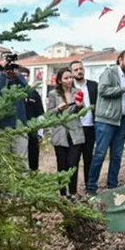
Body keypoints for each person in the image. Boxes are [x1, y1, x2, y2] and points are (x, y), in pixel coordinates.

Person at [87, 50, 125, 194]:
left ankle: (112, 188)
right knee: (100, 154)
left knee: (117, 156)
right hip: (106, 121)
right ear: (120, 60)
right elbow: (102, 91)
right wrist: (123, 88)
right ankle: (91, 188)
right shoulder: (109, 73)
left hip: (122, 122)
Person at [46, 67, 86, 197]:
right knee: (62, 165)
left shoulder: (77, 92)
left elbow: (83, 112)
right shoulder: (53, 94)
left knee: (73, 164)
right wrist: (57, 109)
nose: (69, 80)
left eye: (71, 77)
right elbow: (48, 114)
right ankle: (63, 194)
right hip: (60, 133)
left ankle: (73, 193)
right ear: (59, 80)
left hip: (75, 133)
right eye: (66, 78)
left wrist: (80, 106)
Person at [70, 60, 98, 192]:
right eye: (75, 70)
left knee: (89, 160)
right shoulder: (69, 88)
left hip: (90, 127)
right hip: (75, 128)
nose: (79, 71)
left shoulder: (93, 86)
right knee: (73, 161)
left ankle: (90, 188)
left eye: (80, 69)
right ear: (71, 72)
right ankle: (73, 191)